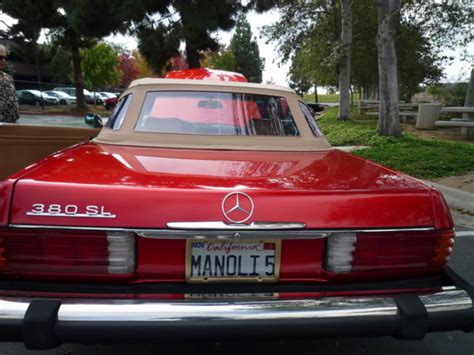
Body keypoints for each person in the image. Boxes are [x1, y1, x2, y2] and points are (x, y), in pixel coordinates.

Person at [0, 44, 19, 123]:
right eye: (0, 57)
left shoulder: (8, 77)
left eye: (5, 58)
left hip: (11, 126)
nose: (3, 60)